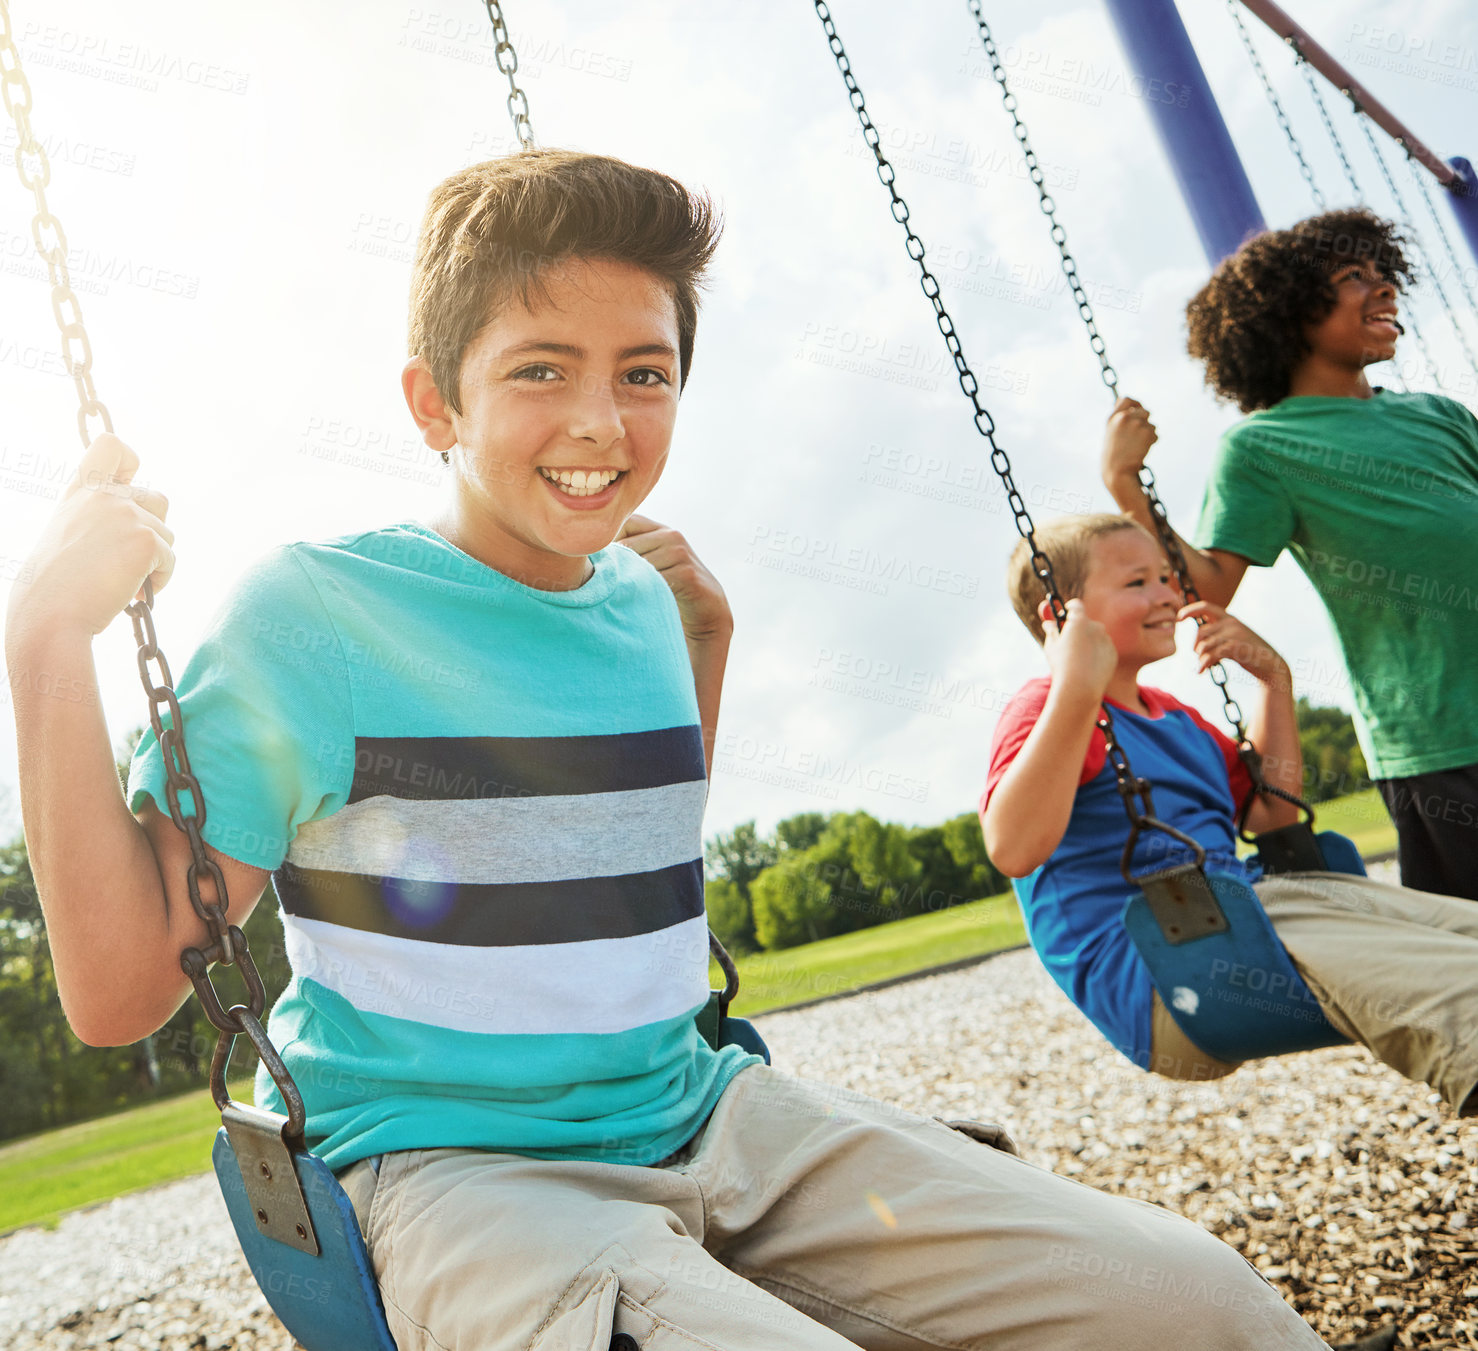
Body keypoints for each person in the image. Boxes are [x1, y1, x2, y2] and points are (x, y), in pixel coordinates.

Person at [7, 149, 1331, 1350]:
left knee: (1206, 1306)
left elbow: (623, 850)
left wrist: (708, 633)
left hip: (709, 1114)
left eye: (643, 372)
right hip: (463, 1171)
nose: (602, 422)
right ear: (431, 403)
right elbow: (123, 991)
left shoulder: (643, 598)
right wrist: (44, 641)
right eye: (540, 369)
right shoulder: (314, 615)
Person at [982, 511, 1478, 1111]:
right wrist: (1076, 689)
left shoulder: (1174, 716)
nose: (1169, 595)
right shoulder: (1046, 710)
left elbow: (1273, 815)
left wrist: (1273, 680)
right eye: (1138, 583)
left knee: (1464, 935)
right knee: (1455, 993)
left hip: (1244, 912)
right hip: (1163, 969)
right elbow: (1012, 848)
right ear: (1061, 615)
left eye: (1167, 578)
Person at [1100, 207, 1478, 900]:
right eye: (1353, 277)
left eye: (1384, 272)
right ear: (1291, 314)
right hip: (1446, 740)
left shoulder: (1441, 416)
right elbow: (1207, 582)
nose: (1384, 287)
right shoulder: (1264, 447)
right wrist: (1128, 485)